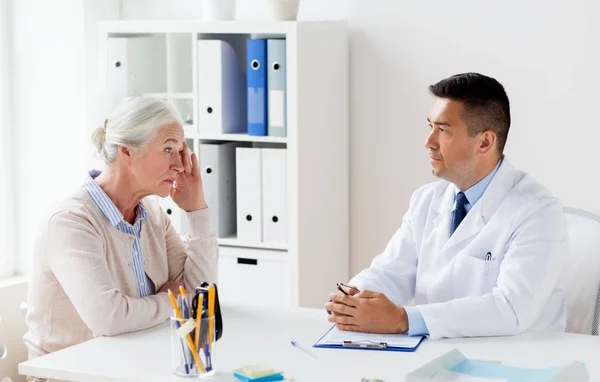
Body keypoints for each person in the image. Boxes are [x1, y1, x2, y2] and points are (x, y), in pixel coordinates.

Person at [326, 72, 567, 340]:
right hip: (438, 355)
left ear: (485, 142)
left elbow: (511, 309)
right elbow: (393, 270)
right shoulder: (428, 199)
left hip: (518, 362)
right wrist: (354, 299)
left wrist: (404, 320)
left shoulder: (537, 212)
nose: (428, 142)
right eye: (430, 126)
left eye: (443, 130)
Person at [24, 97, 219, 364]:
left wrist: (196, 210)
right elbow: (108, 319)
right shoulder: (70, 222)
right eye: (168, 149)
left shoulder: (152, 214)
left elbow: (200, 298)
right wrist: (172, 300)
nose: (179, 165)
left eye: (180, 151)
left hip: (134, 367)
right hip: (71, 375)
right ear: (127, 152)